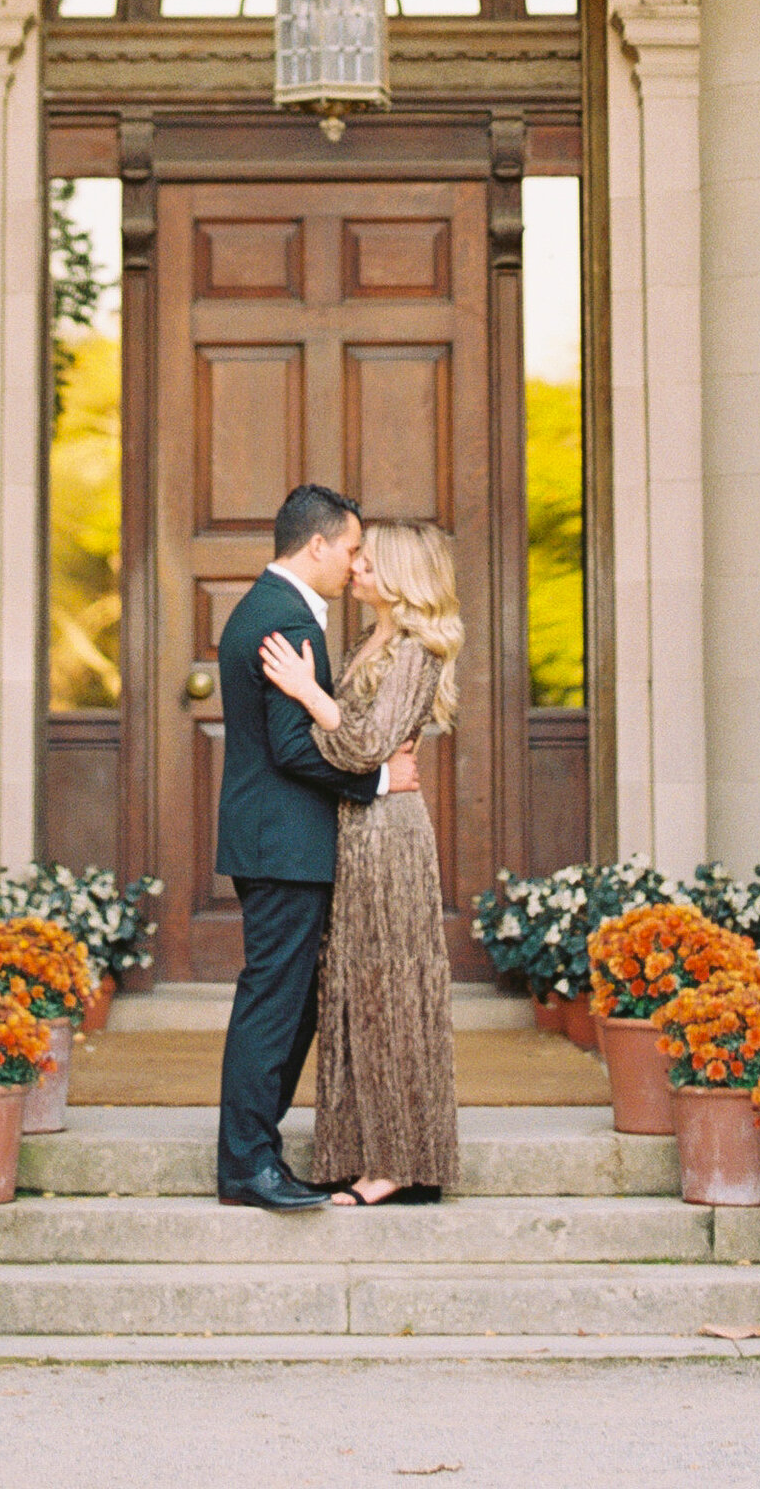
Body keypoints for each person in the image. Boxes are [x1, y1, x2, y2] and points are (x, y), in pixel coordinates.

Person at [211, 482, 410, 1211]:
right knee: (275, 1005)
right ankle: (246, 1166)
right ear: (318, 544)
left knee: (288, 1006)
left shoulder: (271, 608)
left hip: (277, 843)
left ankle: (256, 1155)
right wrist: (380, 779)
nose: (355, 564)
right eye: (352, 548)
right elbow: (295, 749)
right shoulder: (288, 621)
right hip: (283, 846)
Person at [258, 516, 463, 1205]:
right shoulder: (370, 641)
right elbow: (361, 749)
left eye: (372, 562)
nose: (357, 568)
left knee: (390, 989)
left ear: (404, 575)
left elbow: (364, 746)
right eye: (359, 557)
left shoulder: (416, 646)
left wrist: (307, 693)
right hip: (356, 825)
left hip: (388, 832)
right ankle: (358, 1152)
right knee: (351, 991)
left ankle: (401, 1161)